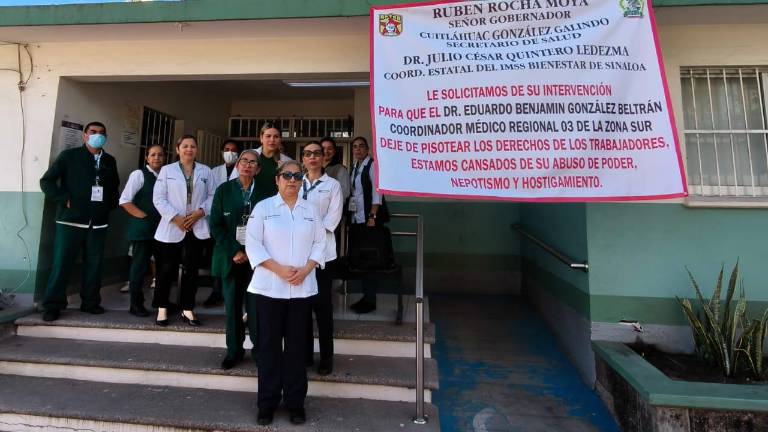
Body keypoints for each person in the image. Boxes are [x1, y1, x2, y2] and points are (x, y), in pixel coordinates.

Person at [245, 161, 325, 426]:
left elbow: (319, 244)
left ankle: (295, 403)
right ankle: (266, 403)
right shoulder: (263, 208)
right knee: (268, 348)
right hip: (269, 290)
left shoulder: (311, 210)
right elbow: (253, 244)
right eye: (287, 175)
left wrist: (306, 270)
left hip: (302, 290)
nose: (292, 180)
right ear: (277, 179)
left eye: (297, 176)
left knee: (296, 350)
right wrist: (279, 269)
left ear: (302, 180)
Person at [39, 121, 120, 322]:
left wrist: (109, 205)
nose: (97, 135)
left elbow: (114, 186)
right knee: (62, 265)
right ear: (85, 136)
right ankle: (53, 305)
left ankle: (90, 302)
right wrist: (63, 199)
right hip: (70, 222)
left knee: (94, 264)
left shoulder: (110, 160)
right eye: (93, 132)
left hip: (98, 223)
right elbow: (46, 181)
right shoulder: (69, 156)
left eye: (102, 133)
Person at [209, 149, 270, 370]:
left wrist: (253, 253)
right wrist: (235, 250)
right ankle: (234, 350)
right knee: (232, 307)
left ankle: (259, 350)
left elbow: (270, 228)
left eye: (252, 162)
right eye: (243, 161)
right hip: (230, 257)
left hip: (258, 260)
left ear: (258, 169)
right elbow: (215, 225)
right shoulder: (224, 190)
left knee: (256, 309)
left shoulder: (266, 192)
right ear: (237, 165)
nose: (247, 165)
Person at [152, 135, 215, 327]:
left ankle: (187, 308)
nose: (189, 149)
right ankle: (162, 307)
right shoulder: (166, 170)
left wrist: (200, 212)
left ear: (197, 150)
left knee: (191, 271)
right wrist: (176, 218)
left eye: (193, 146)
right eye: (185, 146)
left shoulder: (206, 171)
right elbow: (159, 198)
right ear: (178, 149)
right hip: (172, 227)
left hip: (196, 227)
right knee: (166, 269)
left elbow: (213, 195)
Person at [301, 142, 343, 375]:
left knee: (323, 309)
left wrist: (305, 231)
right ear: (303, 159)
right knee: (303, 308)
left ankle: (326, 357)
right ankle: (305, 355)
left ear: (323, 157)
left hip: (322, 256)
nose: (313, 157)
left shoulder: (333, 186)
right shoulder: (295, 182)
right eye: (308, 154)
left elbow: (332, 221)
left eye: (317, 153)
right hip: (298, 256)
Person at [119, 144, 165, 317]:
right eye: (153, 155)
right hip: (143, 229)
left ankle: (160, 301)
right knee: (139, 267)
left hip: (161, 231)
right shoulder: (139, 175)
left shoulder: (165, 176)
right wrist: (143, 217)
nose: (157, 158)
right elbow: (125, 200)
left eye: (160, 155)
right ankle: (135, 303)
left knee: (162, 268)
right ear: (146, 157)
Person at [348, 136, 389, 314]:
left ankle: (370, 299)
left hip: (369, 220)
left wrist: (373, 215)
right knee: (362, 260)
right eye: (355, 147)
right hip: (357, 219)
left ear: (367, 149)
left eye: (361, 147)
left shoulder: (372, 165)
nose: (358, 150)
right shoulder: (355, 167)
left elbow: (376, 193)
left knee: (370, 259)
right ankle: (365, 296)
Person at [205, 139, 242, 308]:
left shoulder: (242, 170)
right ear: (222, 152)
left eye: (234, 150)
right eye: (227, 149)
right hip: (218, 219)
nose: (230, 152)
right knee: (218, 258)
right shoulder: (214, 171)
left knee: (236, 256)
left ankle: (232, 293)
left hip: (235, 220)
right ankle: (216, 291)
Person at [253, 123, 293, 198]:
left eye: (276, 136)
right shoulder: (250, 155)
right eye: (268, 136)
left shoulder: (287, 162)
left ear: (280, 139)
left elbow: (291, 185)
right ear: (261, 138)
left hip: (276, 205)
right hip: (252, 204)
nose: (272, 140)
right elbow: (236, 181)